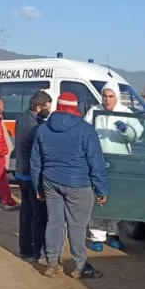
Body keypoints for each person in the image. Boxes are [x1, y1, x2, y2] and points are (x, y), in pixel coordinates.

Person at [30, 92, 108, 279]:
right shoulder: (85, 130)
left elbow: (36, 162)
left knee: (54, 222)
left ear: (57, 105)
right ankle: (80, 266)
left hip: (51, 182)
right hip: (79, 185)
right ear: (76, 107)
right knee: (77, 226)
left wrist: (38, 187)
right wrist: (101, 189)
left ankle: (51, 263)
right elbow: (96, 162)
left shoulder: (43, 129)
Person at [83, 81, 143, 251]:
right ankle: (97, 237)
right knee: (99, 199)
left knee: (116, 200)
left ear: (117, 97)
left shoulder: (126, 113)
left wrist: (126, 130)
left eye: (111, 96)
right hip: (98, 162)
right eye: (105, 96)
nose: (107, 99)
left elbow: (138, 133)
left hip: (120, 163)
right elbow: (84, 131)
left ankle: (113, 234)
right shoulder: (94, 112)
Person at [14, 89, 53, 262]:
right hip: (31, 174)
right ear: (38, 107)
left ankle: (25, 249)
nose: (49, 111)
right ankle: (37, 252)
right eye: (47, 108)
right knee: (38, 215)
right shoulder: (36, 126)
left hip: (20, 171)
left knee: (26, 212)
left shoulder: (21, 118)